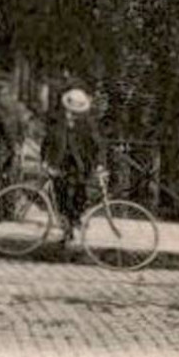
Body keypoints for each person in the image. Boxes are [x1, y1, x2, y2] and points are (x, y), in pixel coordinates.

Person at [43, 87, 103, 244]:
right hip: (60, 163)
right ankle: (67, 229)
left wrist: (99, 164)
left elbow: (96, 145)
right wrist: (45, 160)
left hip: (80, 165)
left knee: (79, 195)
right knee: (61, 196)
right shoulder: (57, 121)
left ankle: (75, 220)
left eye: (76, 110)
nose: (73, 113)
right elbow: (47, 142)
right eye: (71, 110)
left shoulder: (87, 124)